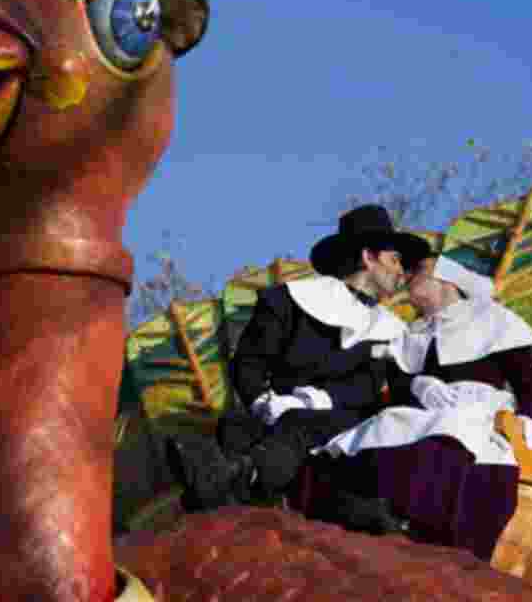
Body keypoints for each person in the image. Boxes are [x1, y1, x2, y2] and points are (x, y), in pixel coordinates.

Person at [165, 204, 430, 526]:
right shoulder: (286, 299)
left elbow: (367, 387)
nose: (402, 271)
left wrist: (314, 401)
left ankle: (231, 476)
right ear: (368, 258)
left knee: (298, 426)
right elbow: (249, 362)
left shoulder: (391, 329)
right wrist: (263, 402)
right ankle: (221, 492)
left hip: (344, 421)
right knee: (237, 426)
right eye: (395, 259)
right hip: (273, 411)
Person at [316, 254, 532, 561]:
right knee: (377, 430)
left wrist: (529, 418)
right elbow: (397, 382)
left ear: (447, 280)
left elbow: (531, 382)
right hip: (416, 412)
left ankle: (413, 521)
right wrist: (416, 385)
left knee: (451, 431)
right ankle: (371, 512)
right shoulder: (411, 331)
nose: (408, 275)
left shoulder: (493, 319)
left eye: (419, 270)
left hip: (473, 412)